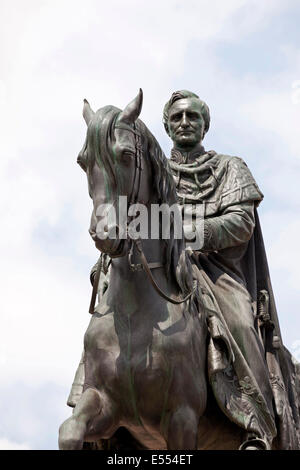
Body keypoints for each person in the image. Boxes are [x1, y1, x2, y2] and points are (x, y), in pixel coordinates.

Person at [67, 90, 300, 450]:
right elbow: (130, 206)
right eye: (177, 118)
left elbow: (241, 222)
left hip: (212, 266)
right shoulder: (153, 164)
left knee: (238, 317)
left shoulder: (229, 167)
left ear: (205, 124)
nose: (185, 122)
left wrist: (192, 232)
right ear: (167, 126)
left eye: (192, 116)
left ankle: (255, 423)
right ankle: (90, 389)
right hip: (158, 262)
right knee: (107, 293)